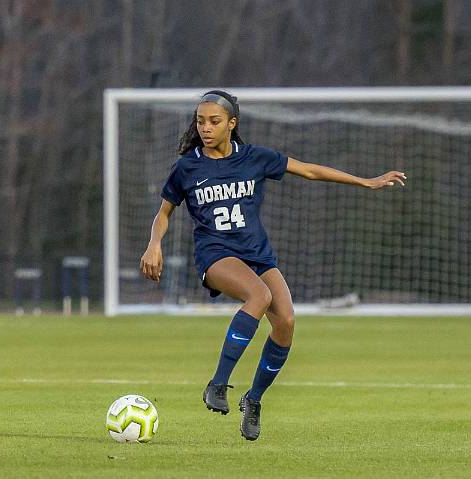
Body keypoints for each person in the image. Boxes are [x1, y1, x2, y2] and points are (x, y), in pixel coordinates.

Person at [139, 90, 405, 441]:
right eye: (200, 121)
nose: (205, 127)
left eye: (214, 121)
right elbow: (164, 212)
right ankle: (217, 384)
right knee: (258, 295)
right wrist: (154, 243)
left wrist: (364, 181)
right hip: (215, 254)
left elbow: (309, 170)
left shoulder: (254, 158)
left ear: (231, 124)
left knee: (287, 322)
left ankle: (254, 400)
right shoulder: (188, 166)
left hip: (257, 254)